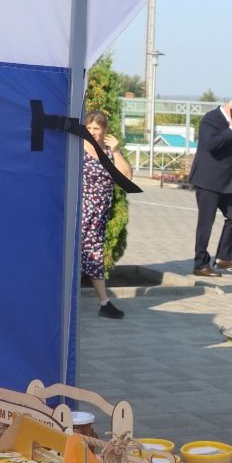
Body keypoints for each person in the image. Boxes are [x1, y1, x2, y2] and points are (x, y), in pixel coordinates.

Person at [80, 111, 131, 319]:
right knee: (75, 256)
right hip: (80, 213)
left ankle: (104, 303)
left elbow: (127, 177)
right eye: (89, 128)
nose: (92, 132)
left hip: (98, 216)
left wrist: (117, 151)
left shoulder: (109, 153)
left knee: (95, 259)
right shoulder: (77, 149)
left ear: (105, 130)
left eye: (97, 129)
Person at [188, 95, 232, 277]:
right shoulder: (211, 119)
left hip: (225, 183)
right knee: (206, 223)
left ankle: (223, 258)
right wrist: (231, 129)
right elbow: (210, 144)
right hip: (207, 181)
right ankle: (200, 264)